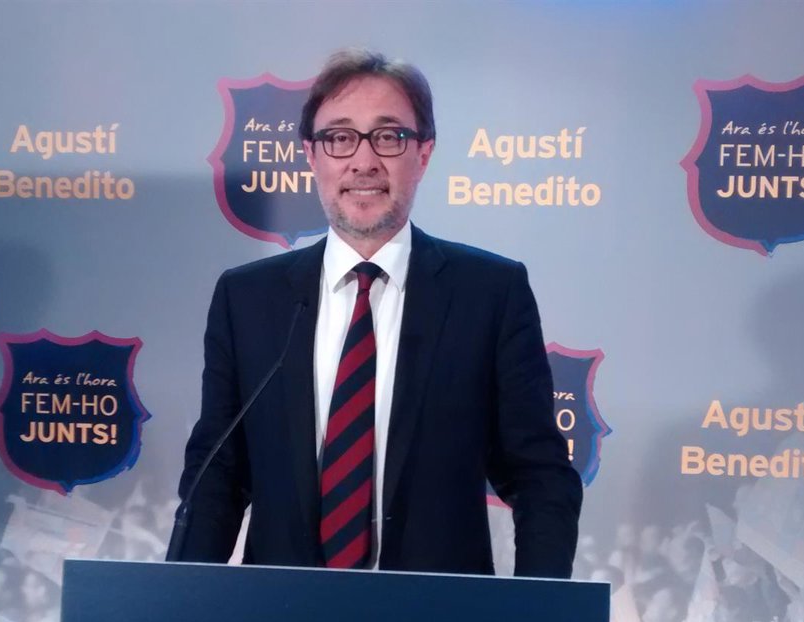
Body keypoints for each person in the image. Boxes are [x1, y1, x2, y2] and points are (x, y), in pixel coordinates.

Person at [176, 49, 581, 577]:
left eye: (388, 137)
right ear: (311, 155)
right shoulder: (248, 299)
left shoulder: (489, 294)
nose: (363, 161)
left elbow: (539, 476)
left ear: (424, 154)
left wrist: (538, 611)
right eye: (340, 137)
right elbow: (217, 478)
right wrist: (178, 608)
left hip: (437, 621)